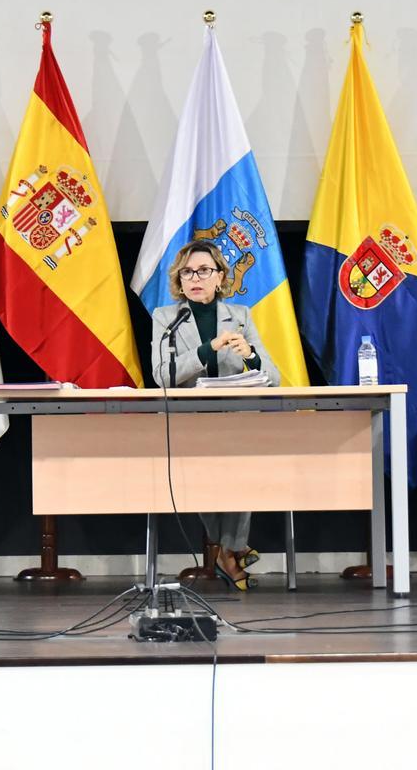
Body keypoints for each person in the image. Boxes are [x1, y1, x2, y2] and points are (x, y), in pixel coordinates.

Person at [150, 240, 280, 592]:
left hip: (235, 419)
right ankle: (231, 551)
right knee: (203, 480)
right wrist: (209, 348)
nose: (196, 278)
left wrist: (250, 355)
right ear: (179, 279)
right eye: (188, 272)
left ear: (220, 276)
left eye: (205, 270)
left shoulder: (240, 316)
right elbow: (162, 375)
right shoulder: (166, 317)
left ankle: (228, 550)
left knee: (242, 473)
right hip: (190, 420)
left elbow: (274, 377)